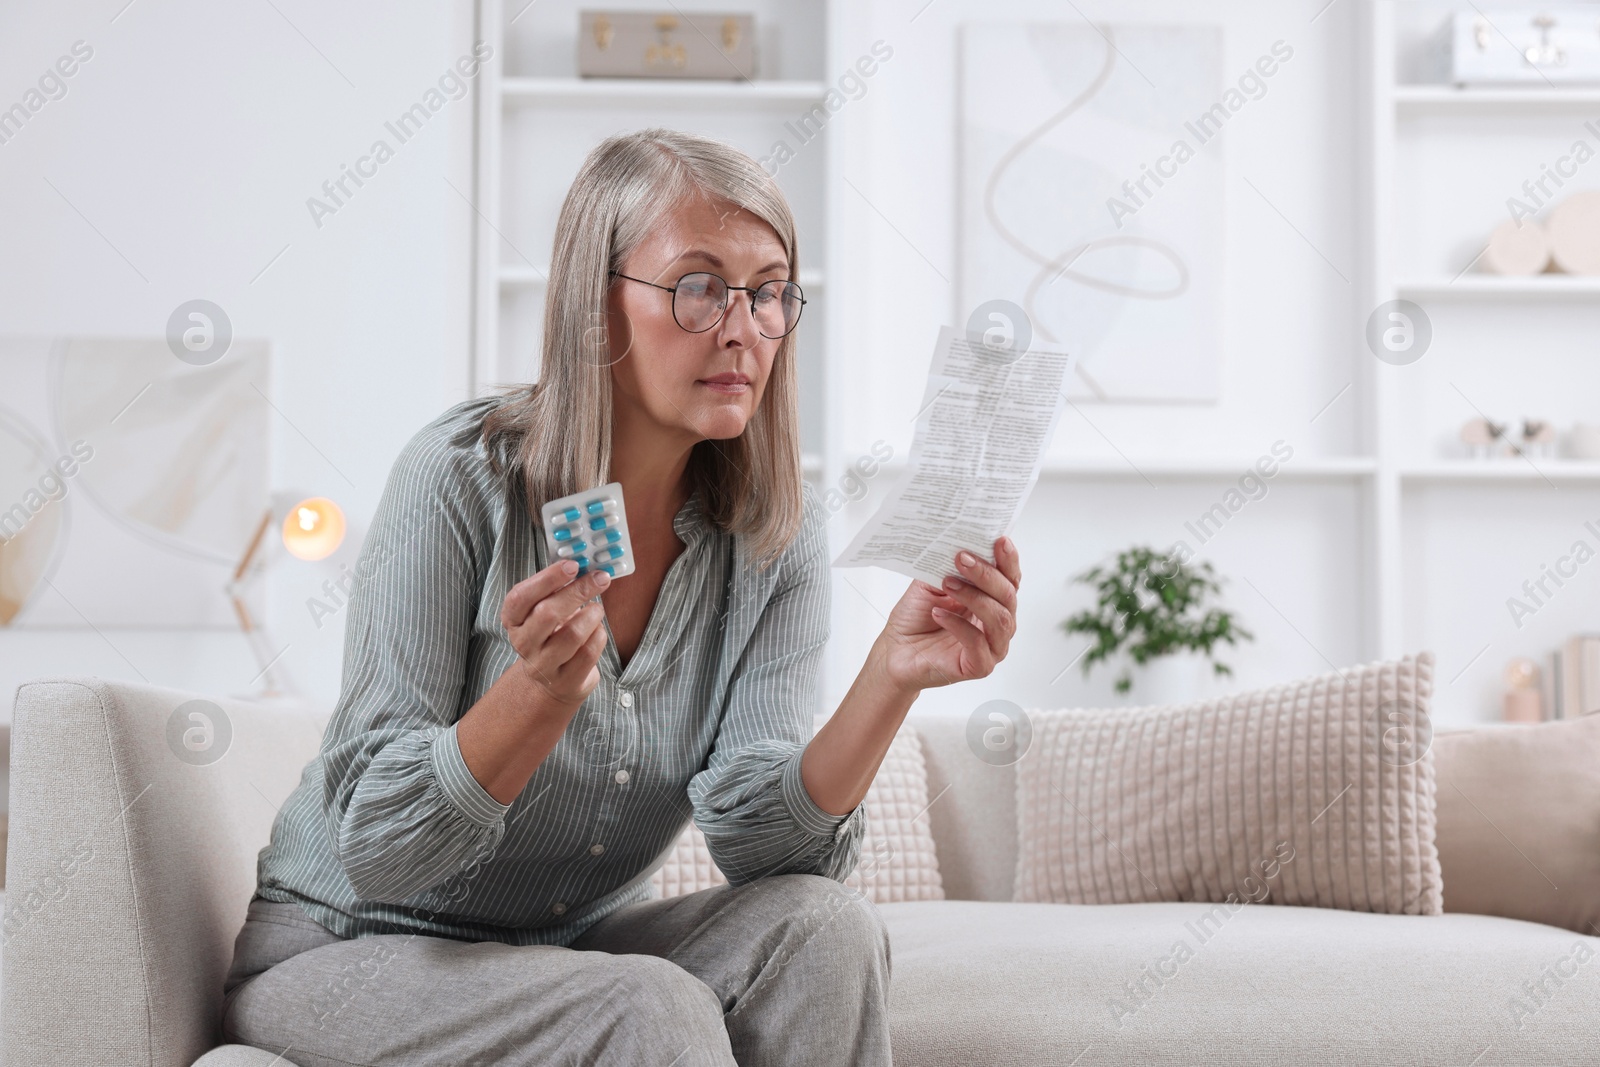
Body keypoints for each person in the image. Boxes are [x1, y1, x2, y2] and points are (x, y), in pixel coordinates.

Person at [220, 127, 1022, 1067]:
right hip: (352, 947)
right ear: (597, 307)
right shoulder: (457, 477)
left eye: (769, 293)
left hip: (562, 954)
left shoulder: (774, 530)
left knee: (825, 927)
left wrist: (890, 676)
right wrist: (534, 698)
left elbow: (768, 852)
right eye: (698, 287)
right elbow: (378, 847)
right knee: (649, 1005)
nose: (742, 328)